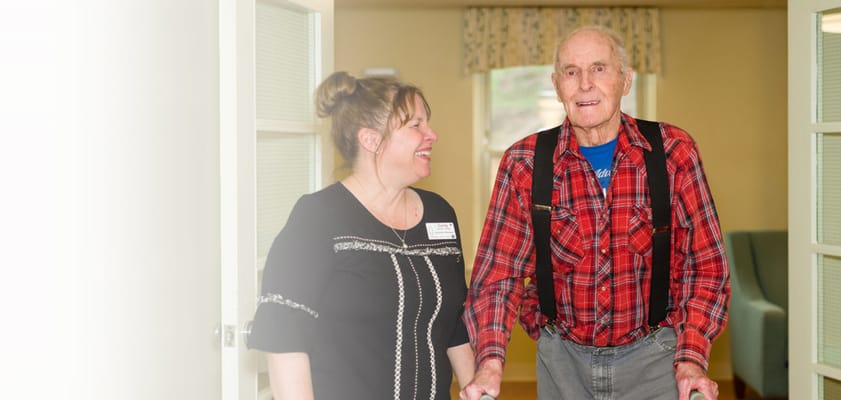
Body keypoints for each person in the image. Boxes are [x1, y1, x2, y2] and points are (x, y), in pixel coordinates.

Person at [460, 26, 730, 400]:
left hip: (657, 361)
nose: (585, 84)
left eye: (599, 69)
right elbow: (497, 277)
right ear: (557, 85)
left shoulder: (673, 152)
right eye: (572, 72)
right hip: (562, 363)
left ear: (626, 80)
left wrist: (692, 358)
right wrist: (489, 363)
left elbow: (705, 268)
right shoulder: (523, 163)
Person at [247, 71, 474, 400]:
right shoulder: (318, 217)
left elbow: (454, 323)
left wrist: (476, 390)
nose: (432, 135)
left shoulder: (440, 214)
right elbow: (285, 340)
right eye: (416, 126)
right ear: (371, 140)